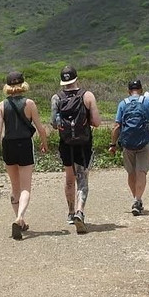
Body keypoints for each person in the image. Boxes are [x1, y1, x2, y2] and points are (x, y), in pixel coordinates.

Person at [0, 71, 49, 240]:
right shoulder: (29, 104)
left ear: (7, 86)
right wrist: (44, 143)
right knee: (25, 188)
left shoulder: (1, 105)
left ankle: (19, 221)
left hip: (8, 145)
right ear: (23, 84)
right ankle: (20, 217)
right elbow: (40, 128)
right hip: (24, 145)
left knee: (14, 187)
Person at [50, 65, 101, 234]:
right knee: (82, 179)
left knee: (69, 179)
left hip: (66, 144)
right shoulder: (87, 96)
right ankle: (80, 211)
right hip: (84, 143)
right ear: (76, 78)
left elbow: (54, 124)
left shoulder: (56, 98)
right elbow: (96, 122)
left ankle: (71, 213)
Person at [108, 79, 149, 216]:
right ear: (141, 90)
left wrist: (113, 144)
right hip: (144, 142)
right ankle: (137, 200)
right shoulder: (148, 102)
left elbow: (117, 126)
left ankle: (136, 200)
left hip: (127, 143)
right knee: (141, 172)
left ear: (128, 91)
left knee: (131, 173)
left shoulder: (123, 104)